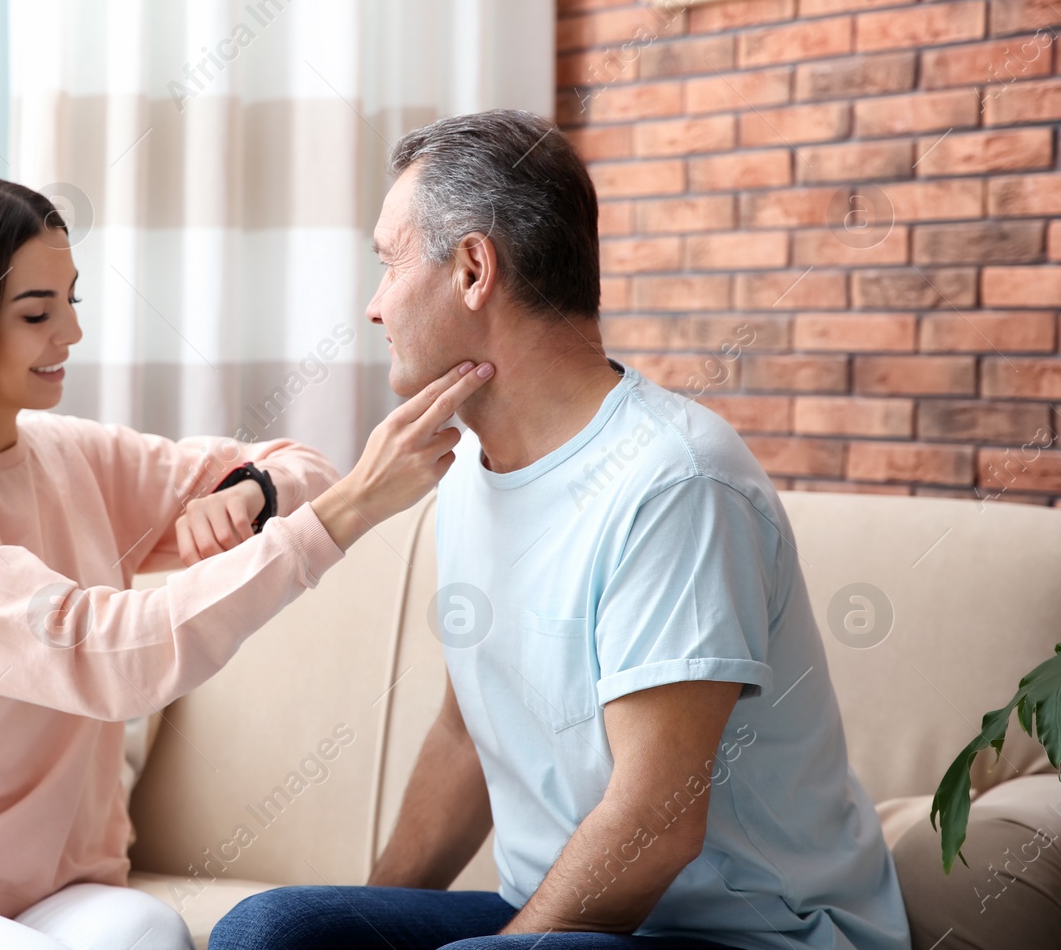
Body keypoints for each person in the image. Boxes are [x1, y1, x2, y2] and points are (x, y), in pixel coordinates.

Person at [209, 111, 912, 950]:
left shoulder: (675, 481)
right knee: (277, 930)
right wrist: (370, 926)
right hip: (571, 917)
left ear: (474, 267)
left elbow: (654, 823)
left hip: (746, 935)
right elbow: (466, 733)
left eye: (390, 262)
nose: (372, 305)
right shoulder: (469, 470)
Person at [0, 170, 494, 950]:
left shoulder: (71, 453)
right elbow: (105, 653)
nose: (70, 335)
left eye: (71, 302)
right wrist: (346, 512)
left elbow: (294, 460)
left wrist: (252, 492)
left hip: (58, 891)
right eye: (36, 313)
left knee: (149, 934)